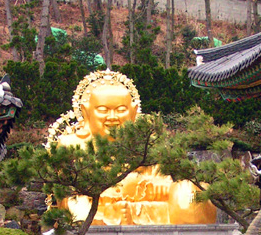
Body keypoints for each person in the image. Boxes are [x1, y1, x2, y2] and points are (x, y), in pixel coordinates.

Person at [50, 70, 216, 226]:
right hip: (96, 213)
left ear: (134, 112)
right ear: (86, 112)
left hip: (146, 212)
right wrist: (111, 209)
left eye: (121, 110)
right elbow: (69, 200)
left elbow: (166, 186)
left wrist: (141, 196)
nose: (112, 117)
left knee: (190, 189)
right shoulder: (70, 146)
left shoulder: (147, 144)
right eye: (103, 110)